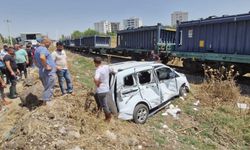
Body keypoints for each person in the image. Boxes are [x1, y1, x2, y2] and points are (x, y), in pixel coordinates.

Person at [34, 38, 56, 105]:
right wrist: (46, 66)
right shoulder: (43, 49)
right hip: (48, 72)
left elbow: (34, 60)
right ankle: (48, 103)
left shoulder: (37, 49)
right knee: (49, 87)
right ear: (46, 42)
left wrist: (40, 66)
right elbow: (42, 57)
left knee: (46, 87)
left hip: (42, 71)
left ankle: (45, 102)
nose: (50, 45)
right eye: (49, 43)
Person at [93, 57, 114, 122]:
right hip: (107, 89)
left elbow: (96, 79)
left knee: (104, 105)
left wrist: (97, 84)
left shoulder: (98, 70)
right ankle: (101, 109)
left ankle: (108, 117)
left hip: (101, 90)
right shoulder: (106, 67)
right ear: (101, 62)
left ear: (95, 63)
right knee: (97, 97)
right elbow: (113, 70)